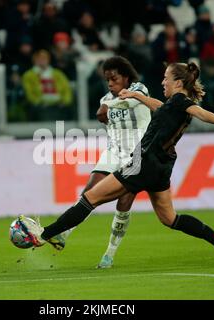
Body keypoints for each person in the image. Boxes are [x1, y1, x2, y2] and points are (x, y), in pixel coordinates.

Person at [20, 62, 214, 261]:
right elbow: (159, 106)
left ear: (178, 82)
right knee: (169, 218)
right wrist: (137, 96)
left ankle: (44, 235)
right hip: (162, 167)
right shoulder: (175, 103)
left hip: (142, 164)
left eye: (166, 77)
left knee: (89, 198)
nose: (162, 81)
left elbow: (199, 112)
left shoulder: (182, 103)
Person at [71, 56, 151, 268]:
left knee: (123, 204)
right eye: (107, 80)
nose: (110, 84)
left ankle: (110, 253)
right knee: (89, 190)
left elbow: (132, 101)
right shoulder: (105, 99)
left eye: (114, 79)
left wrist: (108, 106)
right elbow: (104, 117)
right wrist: (106, 106)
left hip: (137, 153)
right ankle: (63, 233)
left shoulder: (139, 89)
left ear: (125, 77)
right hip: (114, 151)